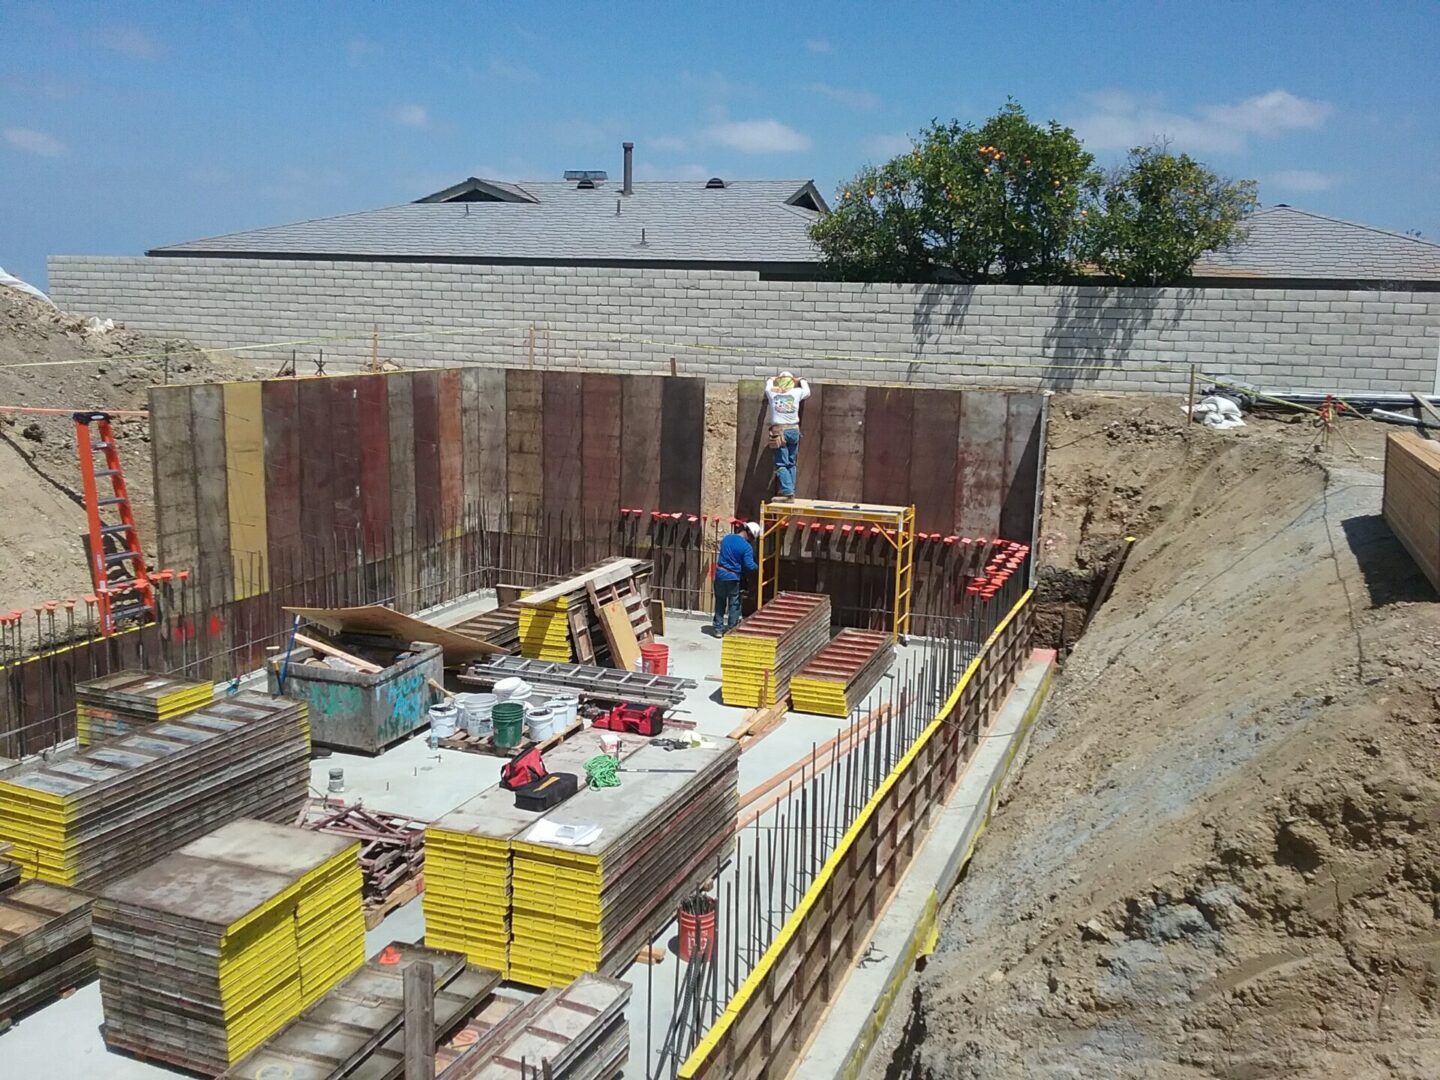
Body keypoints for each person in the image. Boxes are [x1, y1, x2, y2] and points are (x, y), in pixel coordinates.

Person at [765, 371, 810, 499]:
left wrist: (771, 378)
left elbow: (767, 386)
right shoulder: (796, 392)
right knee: (791, 462)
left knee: (781, 464)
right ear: (792, 382)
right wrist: (801, 379)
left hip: (779, 431)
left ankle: (787, 491)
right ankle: (790, 490)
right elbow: (807, 390)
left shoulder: (773, 393)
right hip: (794, 430)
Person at [713, 521, 759, 635]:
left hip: (720, 574)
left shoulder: (727, 538)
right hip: (733, 577)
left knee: (720, 601)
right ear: (750, 535)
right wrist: (758, 567)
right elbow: (749, 565)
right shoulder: (746, 547)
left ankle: (718, 629)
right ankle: (731, 629)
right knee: (734, 603)